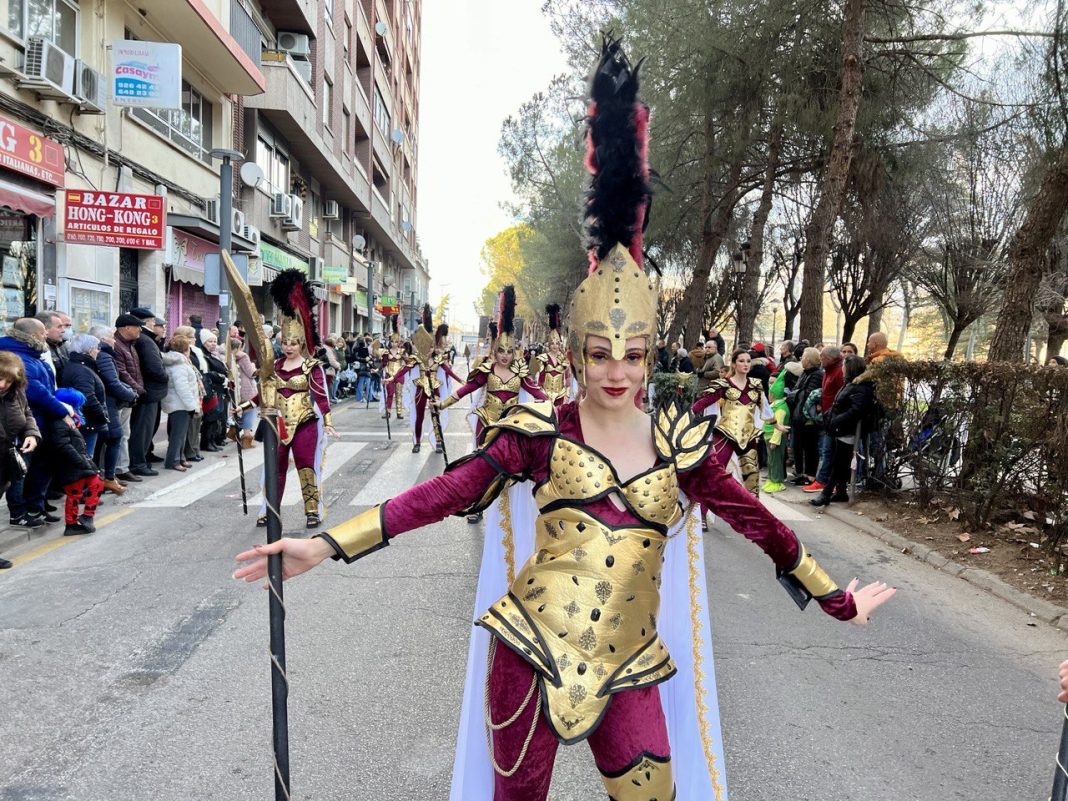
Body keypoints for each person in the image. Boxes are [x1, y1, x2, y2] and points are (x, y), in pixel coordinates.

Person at [236, 41, 894, 801]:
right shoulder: (539, 434)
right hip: (528, 653)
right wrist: (326, 544)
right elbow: (443, 494)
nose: (618, 370)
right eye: (601, 353)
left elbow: (761, 523)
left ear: (650, 356)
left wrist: (837, 599)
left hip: (631, 664)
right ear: (579, 353)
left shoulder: (683, 448)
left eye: (634, 354)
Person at [256, 269, 335, 529]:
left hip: (305, 422)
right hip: (278, 424)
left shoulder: (312, 366)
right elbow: (264, 394)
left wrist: (329, 422)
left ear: (301, 343)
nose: (288, 347)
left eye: (293, 343)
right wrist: (244, 406)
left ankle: (312, 512)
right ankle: (270, 510)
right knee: (274, 469)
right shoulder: (274, 366)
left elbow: (321, 394)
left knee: (306, 467)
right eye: (285, 343)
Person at [1, 317, 72, 527]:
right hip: (14, 437)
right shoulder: (18, 359)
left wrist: (32, 432)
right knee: (19, 473)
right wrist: (62, 411)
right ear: (32, 335)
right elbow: (38, 393)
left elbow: (26, 408)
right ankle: (19, 513)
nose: (46, 335)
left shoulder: (32, 355)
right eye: (43, 332)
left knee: (39, 468)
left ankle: (35, 508)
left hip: (34, 425)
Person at [692, 348, 770, 496]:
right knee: (714, 472)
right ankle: (704, 508)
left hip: (748, 436)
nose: (746, 364)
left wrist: (776, 424)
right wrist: (689, 413)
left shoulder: (756, 385)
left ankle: (748, 509)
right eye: (741, 361)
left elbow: (764, 406)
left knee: (751, 479)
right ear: (734, 364)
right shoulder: (724, 384)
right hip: (725, 433)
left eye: (748, 361)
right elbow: (705, 401)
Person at [390, 308, 461, 454]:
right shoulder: (417, 359)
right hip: (420, 388)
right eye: (427, 346)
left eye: (431, 346)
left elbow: (449, 372)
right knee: (419, 416)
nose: (429, 348)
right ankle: (417, 442)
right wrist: (391, 379)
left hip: (435, 388)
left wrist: (462, 381)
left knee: (436, 415)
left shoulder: (438, 359)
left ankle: (438, 441)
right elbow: (404, 370)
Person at [811, 355, 875, 507]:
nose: (842, 369)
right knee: (839, 461)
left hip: (847, 430)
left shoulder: (860, 387)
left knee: (839, 463)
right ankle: (840, 492)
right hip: (839, 428)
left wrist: (836, 420)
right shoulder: (851, 384)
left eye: (844, 366)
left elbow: (856, 411)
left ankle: (826, 494)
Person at [0, 351, 41, 565]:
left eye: (8, 380)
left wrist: (31, 434)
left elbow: (27, 414)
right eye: (0, 378)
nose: (3, 385)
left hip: (5, 457)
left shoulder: (16, 393)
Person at [88, 325, 137, 494]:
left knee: (105, 441)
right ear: (102, 339)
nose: (114, 340)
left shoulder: (104, 355)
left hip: (107, 402)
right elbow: (112, 382)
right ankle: (108, 478)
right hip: (108, 403)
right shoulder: (104, 356)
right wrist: (131, 394)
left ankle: (105, 478)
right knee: (114, 439)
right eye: (111, 336)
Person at [51, 388, 104, 536]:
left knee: (96, 484)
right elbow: (63, 446)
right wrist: (82, 461)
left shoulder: (69, 420)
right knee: (75, 493)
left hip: (78, 463)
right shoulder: (59, 422)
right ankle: (71, 524)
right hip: (71, 465)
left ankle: (87, 516)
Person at [128, 309, 168, 477]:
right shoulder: (145, 340)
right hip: (149, 391)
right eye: (152, 321)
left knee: (146, 428)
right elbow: (154, 367)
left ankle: (144, 456)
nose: (154, 324)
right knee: (143, 429)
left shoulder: (145, 339)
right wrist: (165, 376)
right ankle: (138, 462)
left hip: (148, 390)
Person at [59, 334, 109, 465]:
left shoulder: (80, 366)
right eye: (97, 348)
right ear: (89, 350)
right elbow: (89, 398)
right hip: (87, 422)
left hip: (85, 420)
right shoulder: (81, 370)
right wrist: (103, 416)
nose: (98, 351)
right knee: (86, 459)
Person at [112, 314, 145, 484]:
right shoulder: (117, 345)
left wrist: (137, 389)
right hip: (120, 397)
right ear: (126, 328)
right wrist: (137, 389)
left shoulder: (130, 345)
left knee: (125, 434)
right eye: (137, 326)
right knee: (118, 435)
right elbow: (122, 372)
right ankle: (115, 470)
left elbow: (135, 370)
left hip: (129, 396)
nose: (140, 330)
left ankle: (122, 468)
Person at [805, 345, 844, 494]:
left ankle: (825, 481)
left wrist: (833, 412)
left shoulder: (838, 372)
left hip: (834, 418)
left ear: (829, 358)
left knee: (829, 452)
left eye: (822, 357)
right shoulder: (828, 370)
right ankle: (824, 481)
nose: (820, 359)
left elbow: (841, 394)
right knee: (827, 451)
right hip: (827, 416)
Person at [161, 336, 200, 472]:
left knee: (181, 434)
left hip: (178, 403)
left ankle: (180, 457)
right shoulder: (179, 365)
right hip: (180, 404)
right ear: (185, 349)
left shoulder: (178, 362)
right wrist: (192, 406)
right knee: (177, 435)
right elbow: (182, 388)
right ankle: (173, 460)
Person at [787, 347, 824, 486]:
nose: (801, 359)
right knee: (798, 445)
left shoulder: (817, 374)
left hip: (807, 417)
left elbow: (808, 394)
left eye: (803, 357)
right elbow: (797, 390)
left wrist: (793, 394)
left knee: (810, 447)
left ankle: (810, 475)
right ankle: (801, 473)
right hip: (798, 415)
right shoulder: (805, 373)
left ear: (809, 360)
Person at [532, 303, 570, 407]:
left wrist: (567, 395)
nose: (555, 346)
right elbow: (540, 378)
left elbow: (567, 379)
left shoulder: (564, 359)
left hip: (560, 395)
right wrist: (540, 394)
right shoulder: (543, 358)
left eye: (557, 343)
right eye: (552, 343)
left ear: (559, 344)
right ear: (549, 344)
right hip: (545, 394)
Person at [761, 370, 792, 493]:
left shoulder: (781, 408)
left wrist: (775, 441)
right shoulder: (774, 405)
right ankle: (771, 479)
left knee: (776, 461)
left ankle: (777, 481)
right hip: (768, 436)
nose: (769, 394)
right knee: (771, 460)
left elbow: (779, 427)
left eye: (771, 393)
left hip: (774, 439)